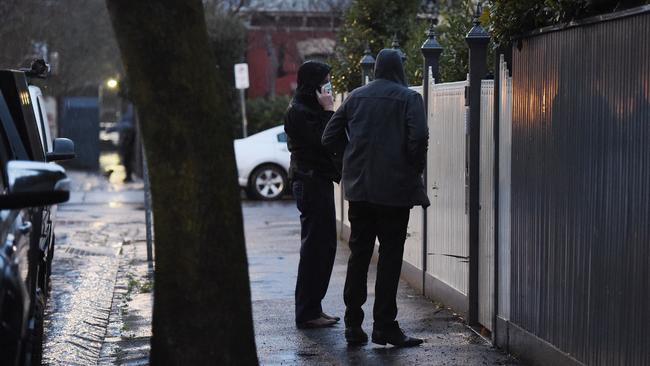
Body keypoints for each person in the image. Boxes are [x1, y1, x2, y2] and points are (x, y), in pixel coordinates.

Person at [322, 49, 429, 346]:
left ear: (377, 69)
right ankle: (384, 326)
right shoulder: (409, 98)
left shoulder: (355, 97)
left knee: (359, 256)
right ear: (399, 69)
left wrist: (348, 164)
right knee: (390, 258)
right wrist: (412, 167)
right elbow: (418, 138)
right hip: (394, 192)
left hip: (360, 191)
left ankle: (353, 325)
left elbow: (329, 136)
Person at [284, 61, 341, 329]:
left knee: (325, 245)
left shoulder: (309, 109)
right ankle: (306, 313)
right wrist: (330, 110)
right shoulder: (298, 111)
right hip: (309, 182)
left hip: (318, 181)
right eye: (326, 80)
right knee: (314, 248)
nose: (329, 86)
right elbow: (326, 141)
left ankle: (314, 307)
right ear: (313, 83)